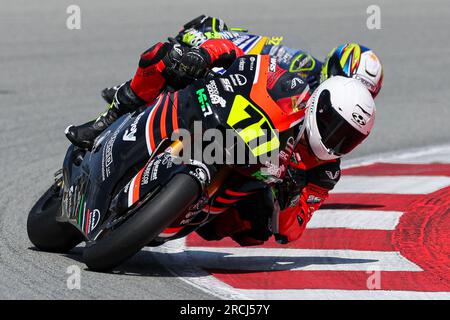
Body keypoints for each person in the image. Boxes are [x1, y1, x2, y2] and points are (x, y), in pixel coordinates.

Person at [65, 31, 376, 246]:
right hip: (223, 118)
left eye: (348, 138)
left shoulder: (325, 171)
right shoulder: (295, 83)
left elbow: (291, 230)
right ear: (321, 104)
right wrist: (204, 55)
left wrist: (291, 196)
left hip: (247, 176)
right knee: (163, 55)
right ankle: (106, 119)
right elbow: (249, 59)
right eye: (335, 127)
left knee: (257, 230)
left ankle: (178, 213)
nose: (337, 141)